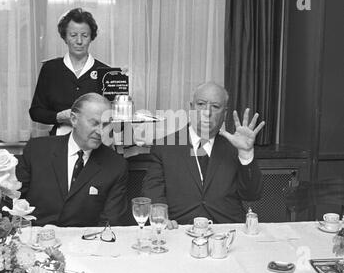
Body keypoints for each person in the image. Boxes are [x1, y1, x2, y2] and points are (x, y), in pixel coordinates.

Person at [141, 82, 265, 225]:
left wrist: (245, 153)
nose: (207, 112)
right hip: (180, 230)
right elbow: (152, 191)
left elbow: (252, 194)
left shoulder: (234, 146)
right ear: (191, 108)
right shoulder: (165, 146)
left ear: (224, 113)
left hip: (227, 230)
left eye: (215, 106)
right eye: (201, 104)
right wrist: (161, 218)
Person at [17, 93, 128, 227]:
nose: (100, 131)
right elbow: (14, 202)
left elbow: (110, 222)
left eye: (106, 125)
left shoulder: (116, 165)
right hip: (36, 240)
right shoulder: (37, 150)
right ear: (74, 119)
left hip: (86, 243)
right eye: (95, 123)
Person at [29, 8, 109, 135]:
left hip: (96, 141)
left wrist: (123, 92)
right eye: (73, 35)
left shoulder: (105, 72)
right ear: (65, 37)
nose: (79, 41)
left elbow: (113, 116)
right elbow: (36, 112)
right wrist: (58, 116)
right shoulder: (50, 69)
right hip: (59, 142)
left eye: (84, 35)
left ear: (91, 38)